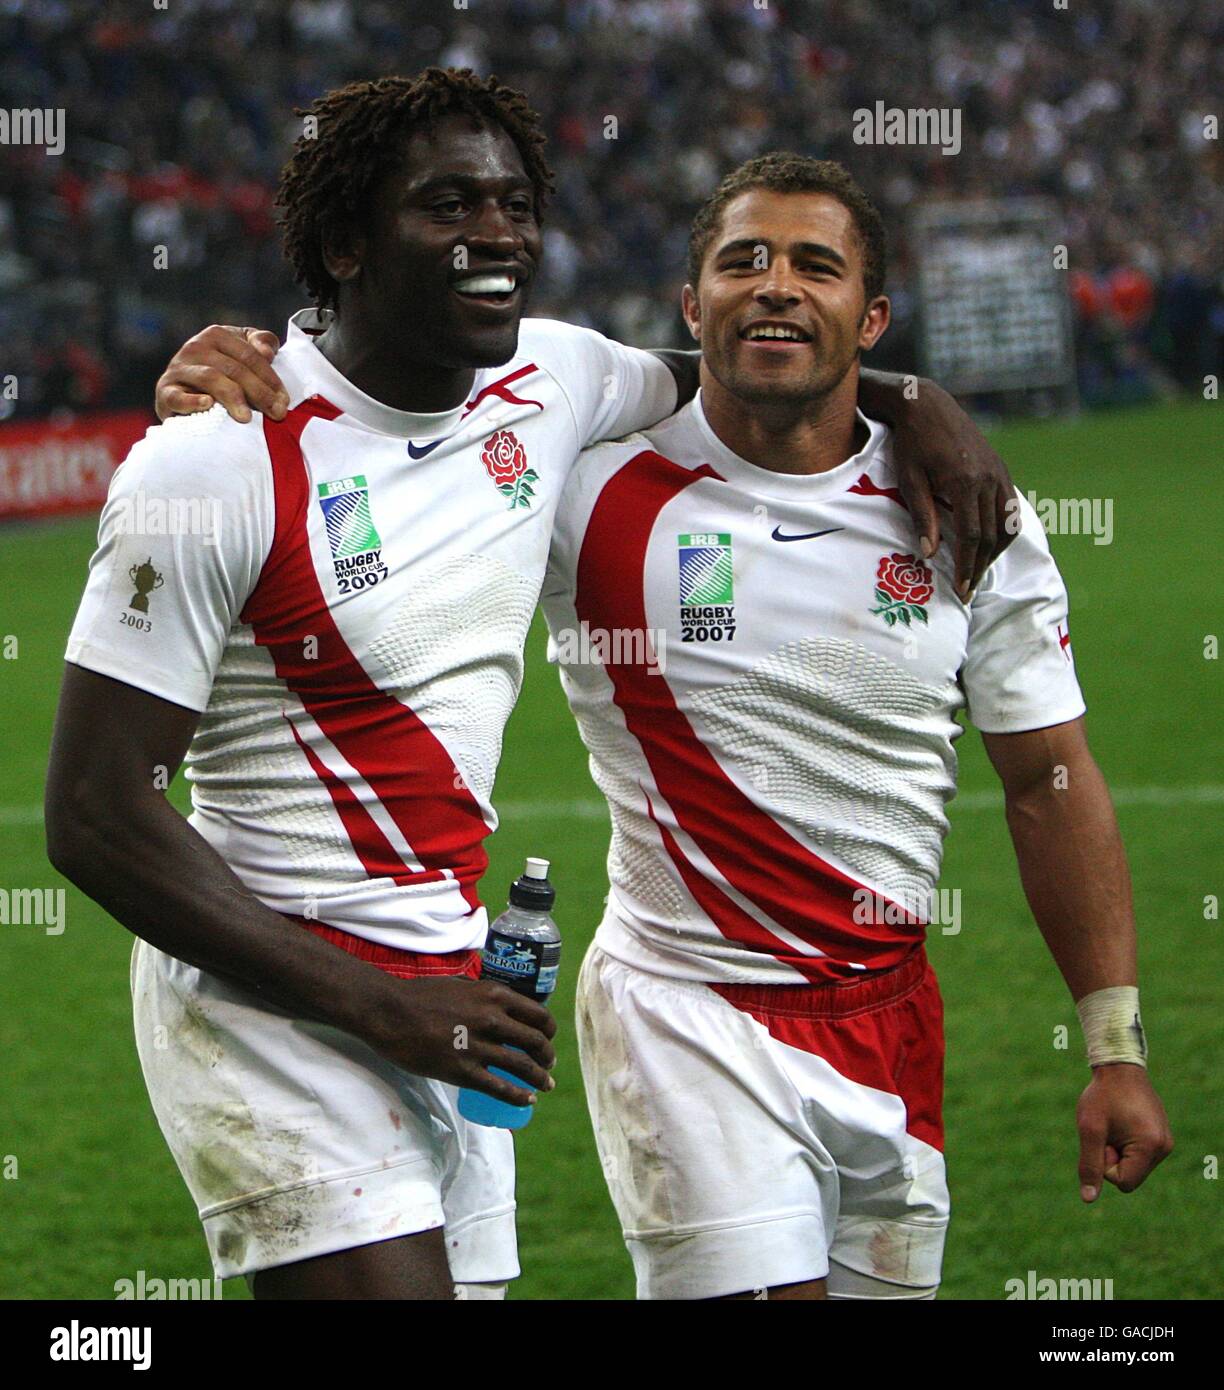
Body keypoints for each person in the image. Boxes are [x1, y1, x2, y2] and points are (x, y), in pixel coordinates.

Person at [49, 69, 1013, 1301]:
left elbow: (751, 367)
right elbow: (93, 812)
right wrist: (380, 1007)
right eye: (448, 206)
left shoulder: (553, 378)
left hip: (451, 990)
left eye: (512, 204)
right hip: (272, 999)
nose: (497, 235)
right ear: (345, 242)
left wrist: (917, 400)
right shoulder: (218, 461)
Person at [537, 153, 1174, 1300]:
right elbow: (404, 420)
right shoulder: (584, 491)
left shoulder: (971, 518)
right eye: (744, 261)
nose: (775, 284)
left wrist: (1114, 1046)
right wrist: (242, 372)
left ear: (871, 317)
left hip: (890, 1015)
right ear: (692, 308)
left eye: (815, 266)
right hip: (687, 1008)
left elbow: (1048, 780)